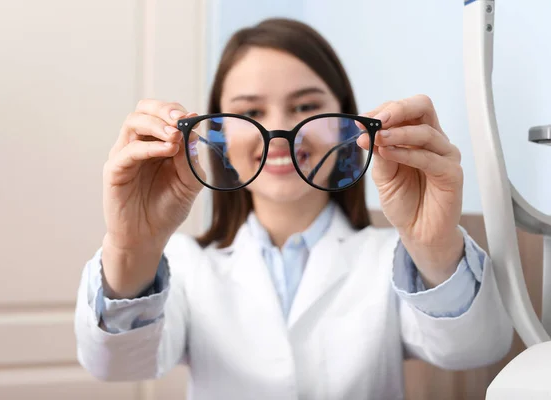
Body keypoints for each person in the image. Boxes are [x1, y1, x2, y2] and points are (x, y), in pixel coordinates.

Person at [74, 18, 513, 400]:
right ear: (217, 134)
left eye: (306, 106)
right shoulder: (187, 267)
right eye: (251, 111)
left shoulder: (392, 261)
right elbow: (116, 366)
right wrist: (132, 248)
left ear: (345, 123)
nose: (281, 131)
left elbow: (475, 349)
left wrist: (434, 246)